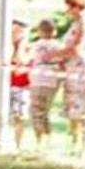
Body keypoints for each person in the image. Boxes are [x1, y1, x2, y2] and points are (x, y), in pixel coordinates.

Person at [50, 0, 85, 153]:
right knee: (73, 109)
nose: (67, 11)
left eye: (69, 7)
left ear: (76, 6)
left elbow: (76, 47)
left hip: (83, 68)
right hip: (72, 69)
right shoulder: (76, 22)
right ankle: (74, 143)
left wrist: (52, 55)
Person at [27, 18, 63, 146]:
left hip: (38, 80)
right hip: (52, 81)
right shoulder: (59, 46)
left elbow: (30, 60)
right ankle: (47, 138)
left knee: (35, 110)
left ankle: (40, 139)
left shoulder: (36, 45)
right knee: (45, 111)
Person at [6, 19, 32, 147]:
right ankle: (6, 139)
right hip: (6, 86)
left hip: (22, 87)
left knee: (20, 116)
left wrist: (21, 45)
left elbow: (21, 60)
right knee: (6, 115)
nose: (14, 34)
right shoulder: (6, 46)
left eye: (18, 31)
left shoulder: (28, 48)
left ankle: (18, 143)